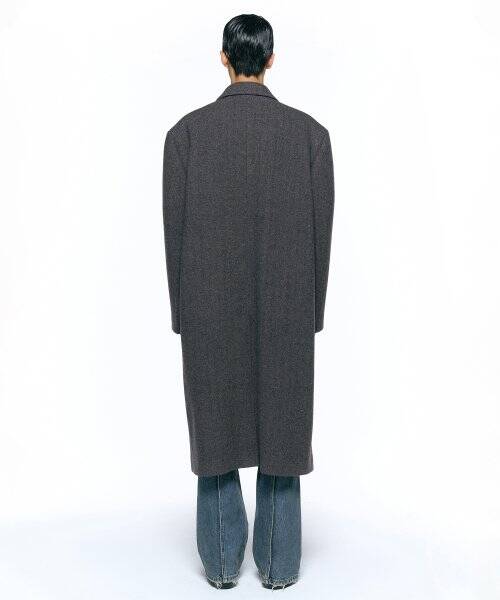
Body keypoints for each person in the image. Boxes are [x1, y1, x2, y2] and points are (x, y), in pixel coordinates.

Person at [162, 14, 335, 590]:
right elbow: (321, 235)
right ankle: (280, 567)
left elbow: (174, 233)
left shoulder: (186, 136)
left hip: (207, 304)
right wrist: (311, 312)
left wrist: (182, 313)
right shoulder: (309, 136)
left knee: (216, 431)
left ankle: (219, 565)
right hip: (288, 305)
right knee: (283, 430)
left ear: (223, 58)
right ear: (271, 59)